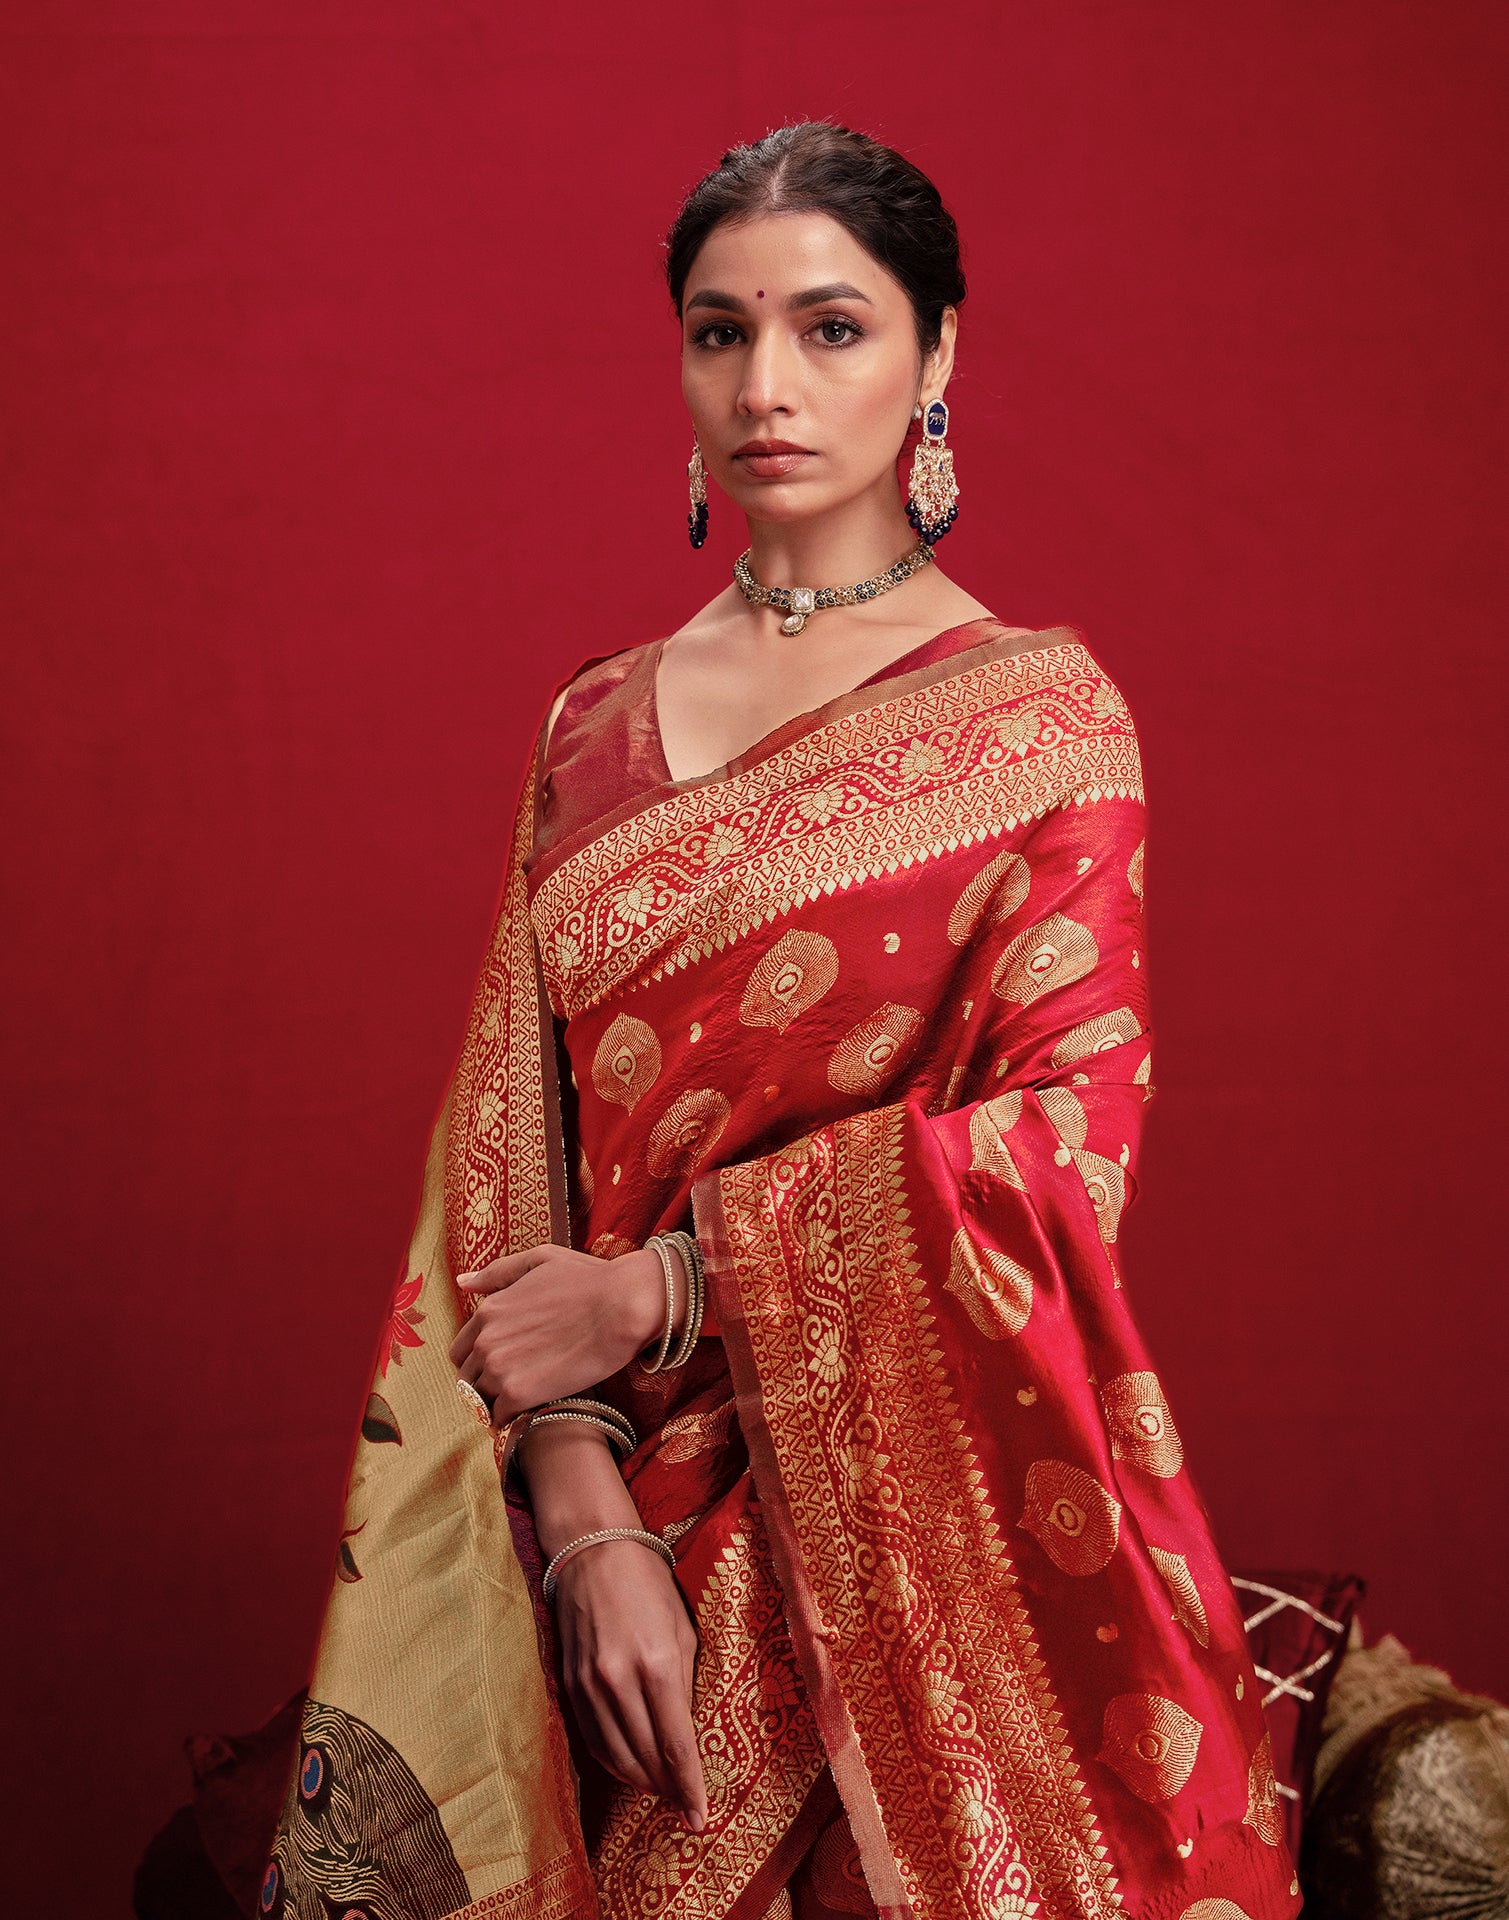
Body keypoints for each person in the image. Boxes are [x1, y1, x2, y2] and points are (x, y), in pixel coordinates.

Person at [266, 123, 1300, 1920]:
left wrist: (660, 1290)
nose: (767, 385)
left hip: (914, 1552)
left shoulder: (1042, 724)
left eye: (832, 329)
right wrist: (591, 1532)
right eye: (718, 330)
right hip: (594, 1558)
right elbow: (518, 1178)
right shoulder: (589, 726)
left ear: (938, 356)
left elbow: (1063, 1155)